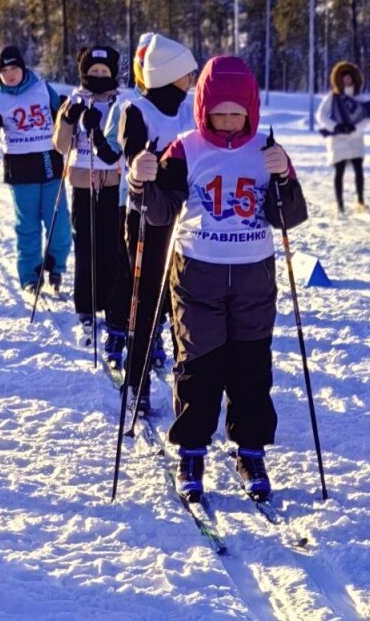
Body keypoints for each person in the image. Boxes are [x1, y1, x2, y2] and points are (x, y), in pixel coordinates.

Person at [127, 56, 304, 503]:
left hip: (254, 275)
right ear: (203, 109)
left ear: (251, 111)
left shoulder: (267, 149)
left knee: (251, 367)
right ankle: (191, 450)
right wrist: (139, 181)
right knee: (198, 364)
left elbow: (291, 217)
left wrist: (283, 176)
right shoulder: (186, 148)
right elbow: (160, 211)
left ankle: (250, 451)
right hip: (196, 273)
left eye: (236, 113)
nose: (227, 122)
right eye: (218, 113)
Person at [115, 34, 198, 411]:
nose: (192, 79)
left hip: (188, 222)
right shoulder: (138, 110)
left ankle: (190, 385)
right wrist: (139, 165)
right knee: (146, 301)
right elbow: (130, 151)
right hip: (148, 221)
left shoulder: (191, 109)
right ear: (170, 73)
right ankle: (136, 382)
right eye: (187, 73)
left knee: (183, 302)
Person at [0, 45, 72, 297]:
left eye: (14, 67)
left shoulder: (42, 89)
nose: (10, 74)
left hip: (50, 165)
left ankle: (55, 268)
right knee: (27, 226)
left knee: (59, 225)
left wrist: (70, 111)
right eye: (4, 70)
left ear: (23, 67)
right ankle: (30, 276)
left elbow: (63, 116)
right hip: (20, 170)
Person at [53, 46, 126, 349]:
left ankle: (111, 304)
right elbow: (59, 145)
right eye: (93, 72)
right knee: (85, 245)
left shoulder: (122, 102)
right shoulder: (74, 98)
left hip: (112, 182)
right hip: (83, 182)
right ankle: (85, 305)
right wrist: (68, 119)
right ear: (84, 73)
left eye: (104, 72)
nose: (98, 77)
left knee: (111, 245)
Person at [100, 32, 155, 370]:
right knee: (127, 269)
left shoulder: (180, 103)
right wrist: (93, 132)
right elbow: (108, 153)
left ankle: (154, 332)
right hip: (130, 200)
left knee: (158, 272)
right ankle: (118, 329)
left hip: (169, 202)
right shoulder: (126, 104)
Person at [316, 61, 370, 217]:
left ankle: (361, 201)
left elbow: (367, 116)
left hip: (356, 139)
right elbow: (320, 115)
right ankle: (340, 204)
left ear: (354, 79)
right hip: (338, 140)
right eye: (344, 78)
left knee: (358, 170)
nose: (347, 81)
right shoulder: (333, 97)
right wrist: (336, 127)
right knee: (339, 171)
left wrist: (355, 129)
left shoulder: (360, 98)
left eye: (349, 78)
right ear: (339, 80)